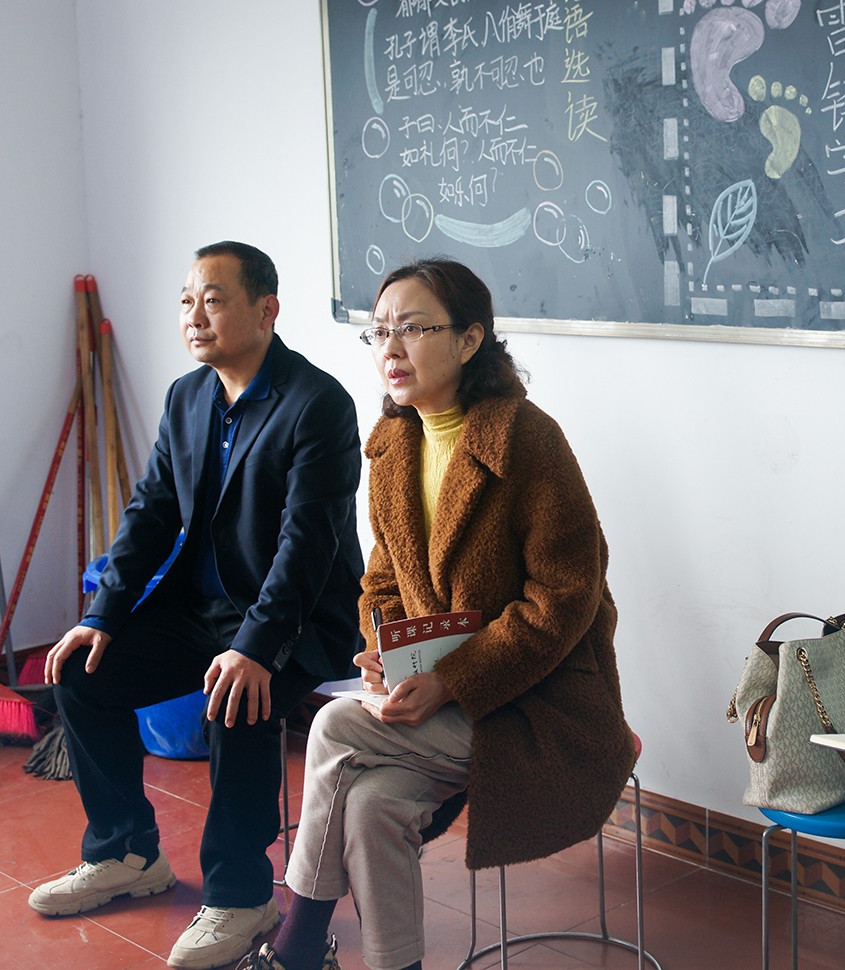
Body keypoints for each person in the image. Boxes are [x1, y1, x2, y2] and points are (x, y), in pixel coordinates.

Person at [236, 257, 636, 970]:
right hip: (435, 704)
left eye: (414, 329)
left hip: (538, 702)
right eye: (379, 331)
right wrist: (385, 652)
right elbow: (381, 581)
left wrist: (451, 679)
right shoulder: (393, 444)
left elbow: (565, 597)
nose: (391, 348)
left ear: (470, 339)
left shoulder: (527, 439)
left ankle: (296, 949)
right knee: (371, 805)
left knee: (334, 724)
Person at [31, 241, 365, 970]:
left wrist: (255, 648)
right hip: (204, 609)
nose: (194, 316)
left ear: (267, 310)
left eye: (213, 300)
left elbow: (306, 545)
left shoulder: (318, 404)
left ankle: (242, 896)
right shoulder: (188, 396)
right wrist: (101, 615)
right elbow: (151, 512)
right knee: (82, 673)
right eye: (187, 301)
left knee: (237, 695)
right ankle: (125, 853)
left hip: (296, 616)